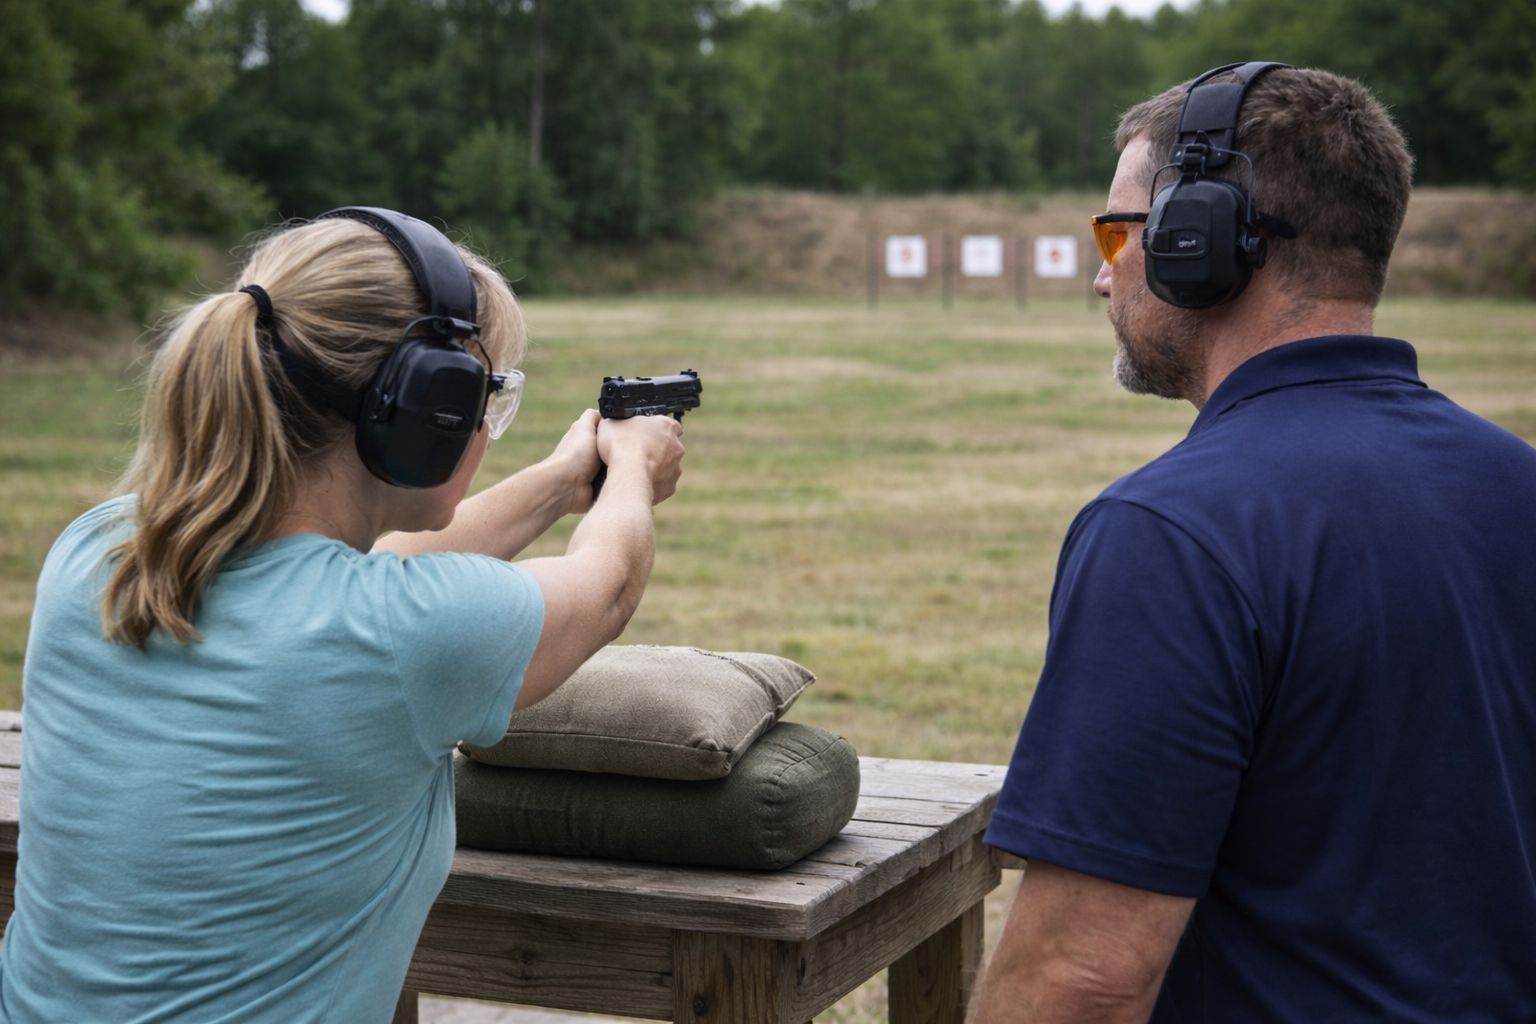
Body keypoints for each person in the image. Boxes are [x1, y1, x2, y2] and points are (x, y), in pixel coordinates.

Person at [0, 207, 685, 1021]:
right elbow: (606, 588)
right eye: (484, 395)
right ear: (424, 413)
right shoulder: (402, 635)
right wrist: (634, 466)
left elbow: (357, 584)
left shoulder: (96, 550)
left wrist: (563, 481)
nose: (484, 424)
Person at [971, 64, 1536, 1022]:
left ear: (1200, 238)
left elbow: (1080, 982)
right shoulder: (1519, 480)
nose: (1103, 274)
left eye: (1116, 233)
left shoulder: (1173, 533)